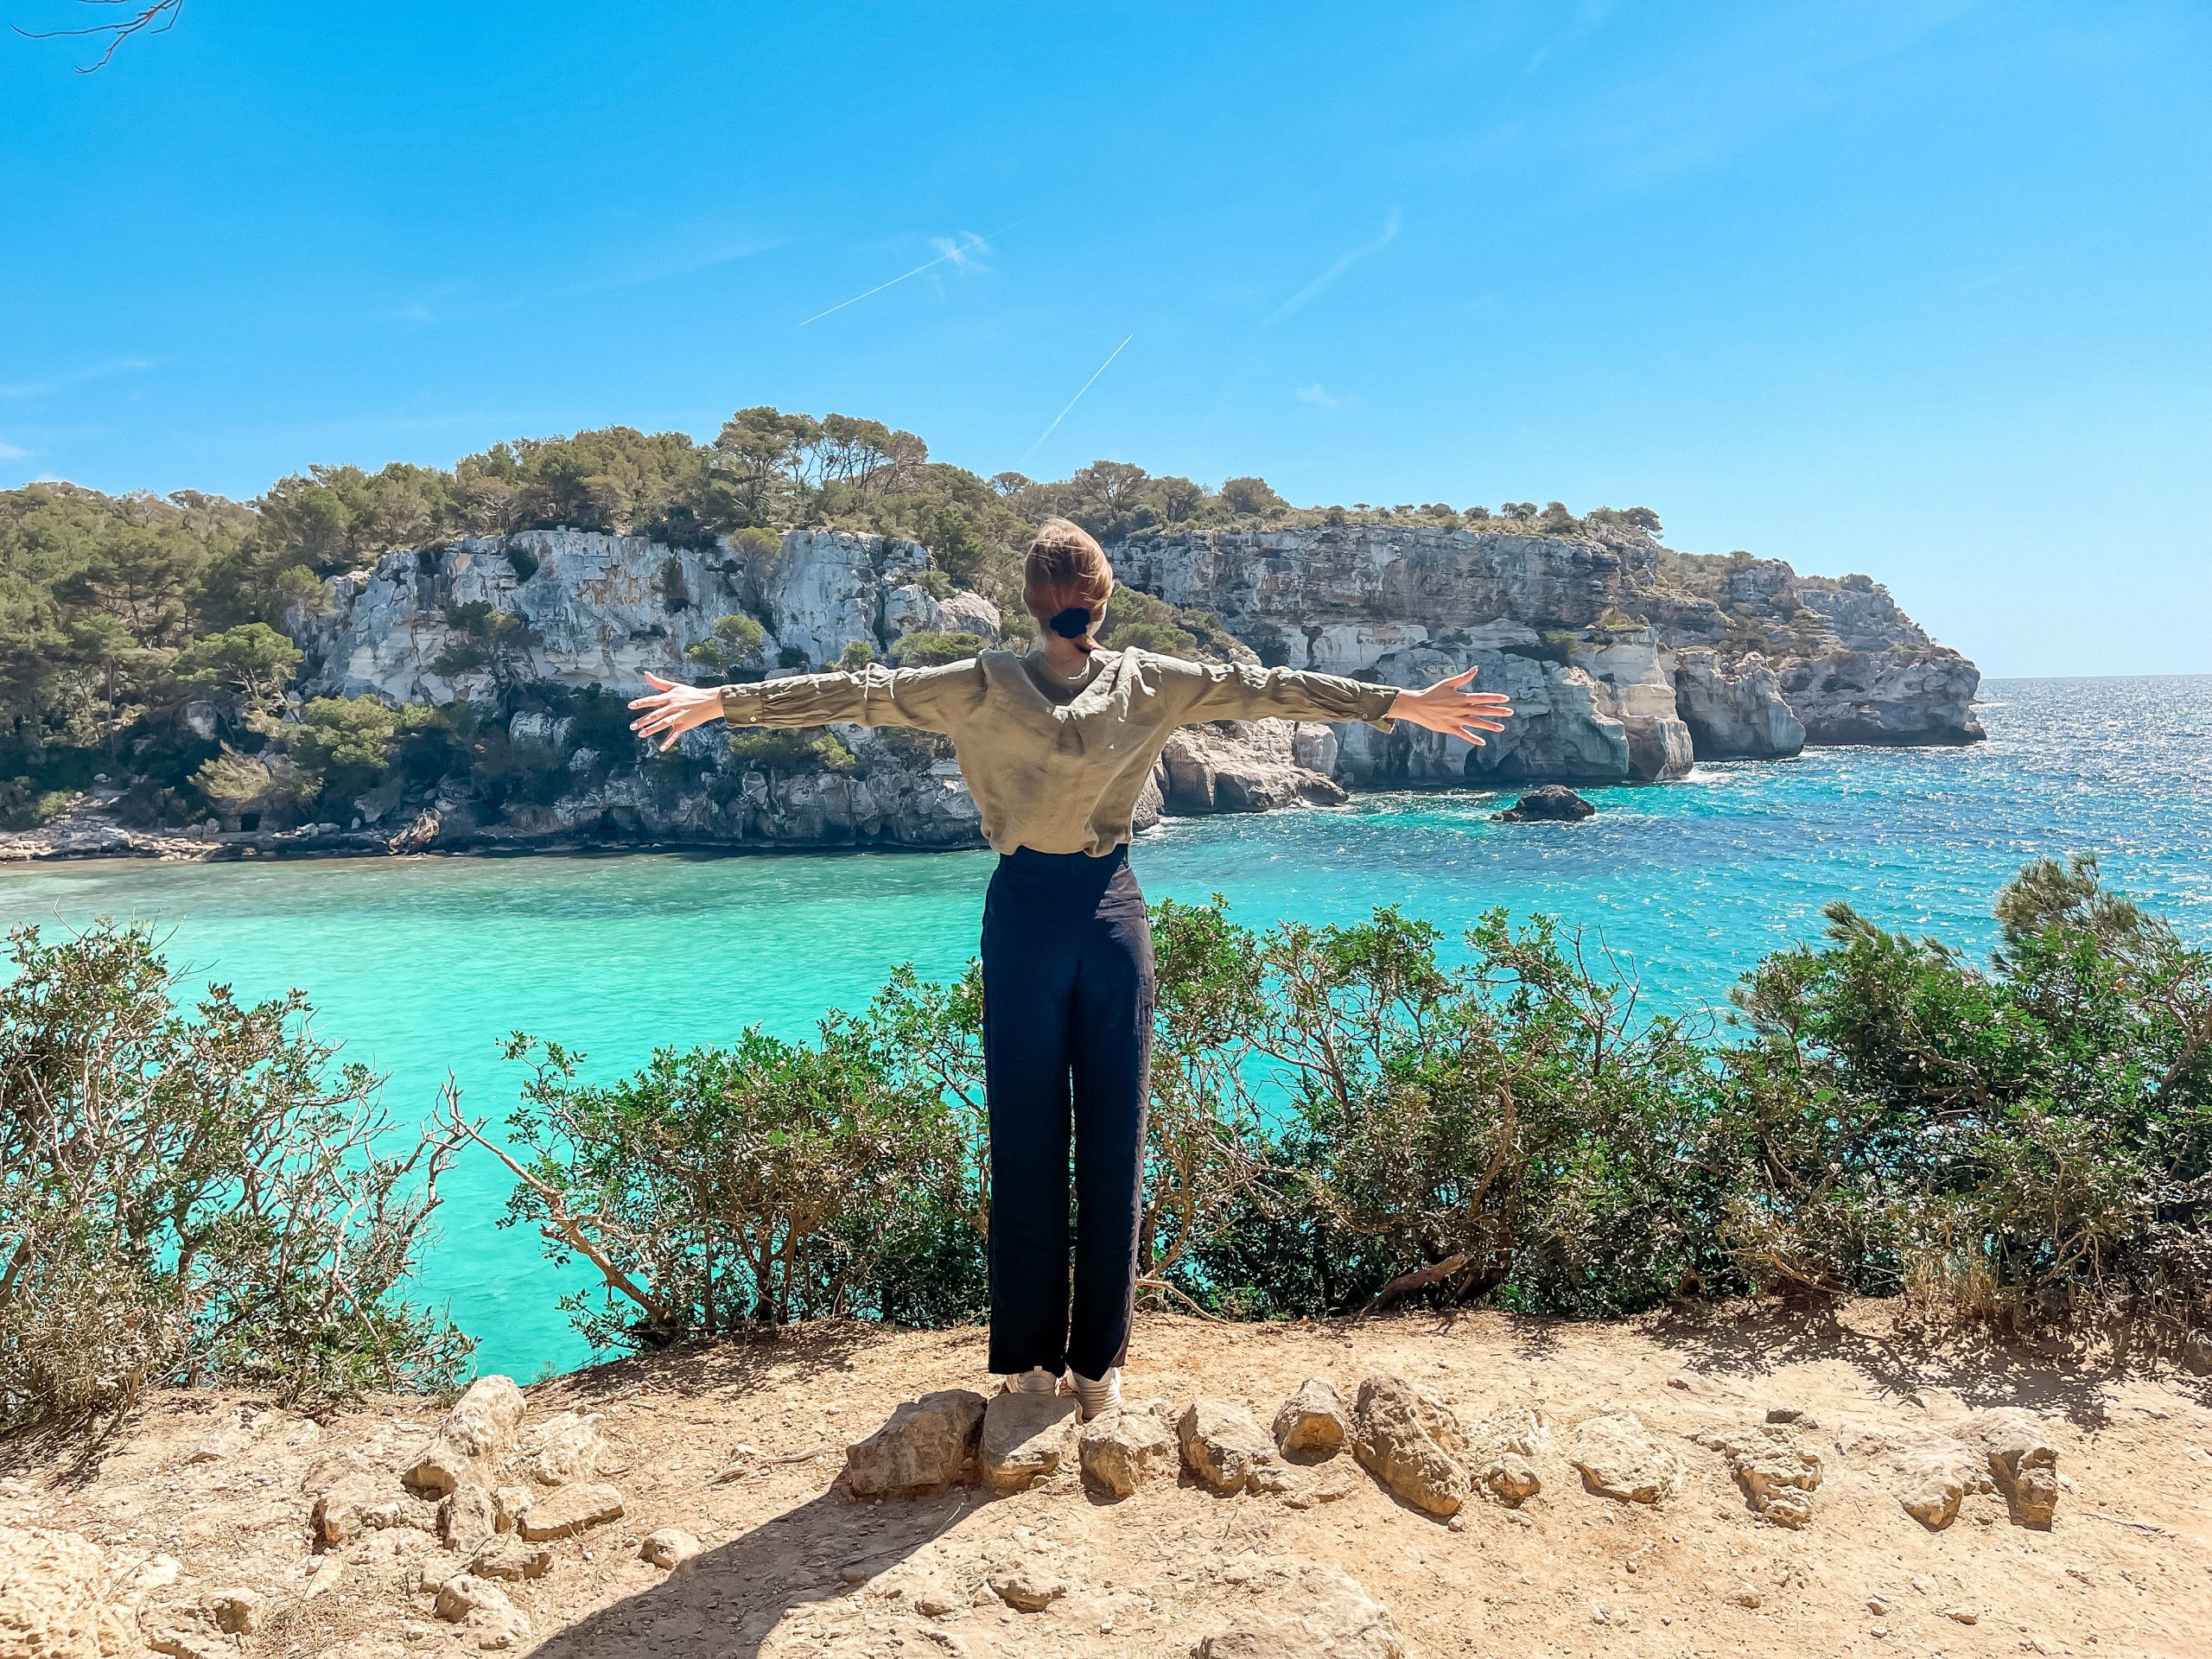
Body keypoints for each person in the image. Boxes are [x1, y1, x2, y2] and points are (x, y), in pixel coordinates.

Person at [628, 518, 1513, 1417]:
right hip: (1111, 915)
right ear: (1107, 597)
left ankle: (1023, 1364)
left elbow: (855, 693)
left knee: (1024, 1141)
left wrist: (722, 701)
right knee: (1113, 1142)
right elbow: (1269, 689)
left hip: (1022, 919)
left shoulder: (974, 685)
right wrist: (1398, 702)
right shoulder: (1155, 681)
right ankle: (1098, 1367)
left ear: (1027, 601)